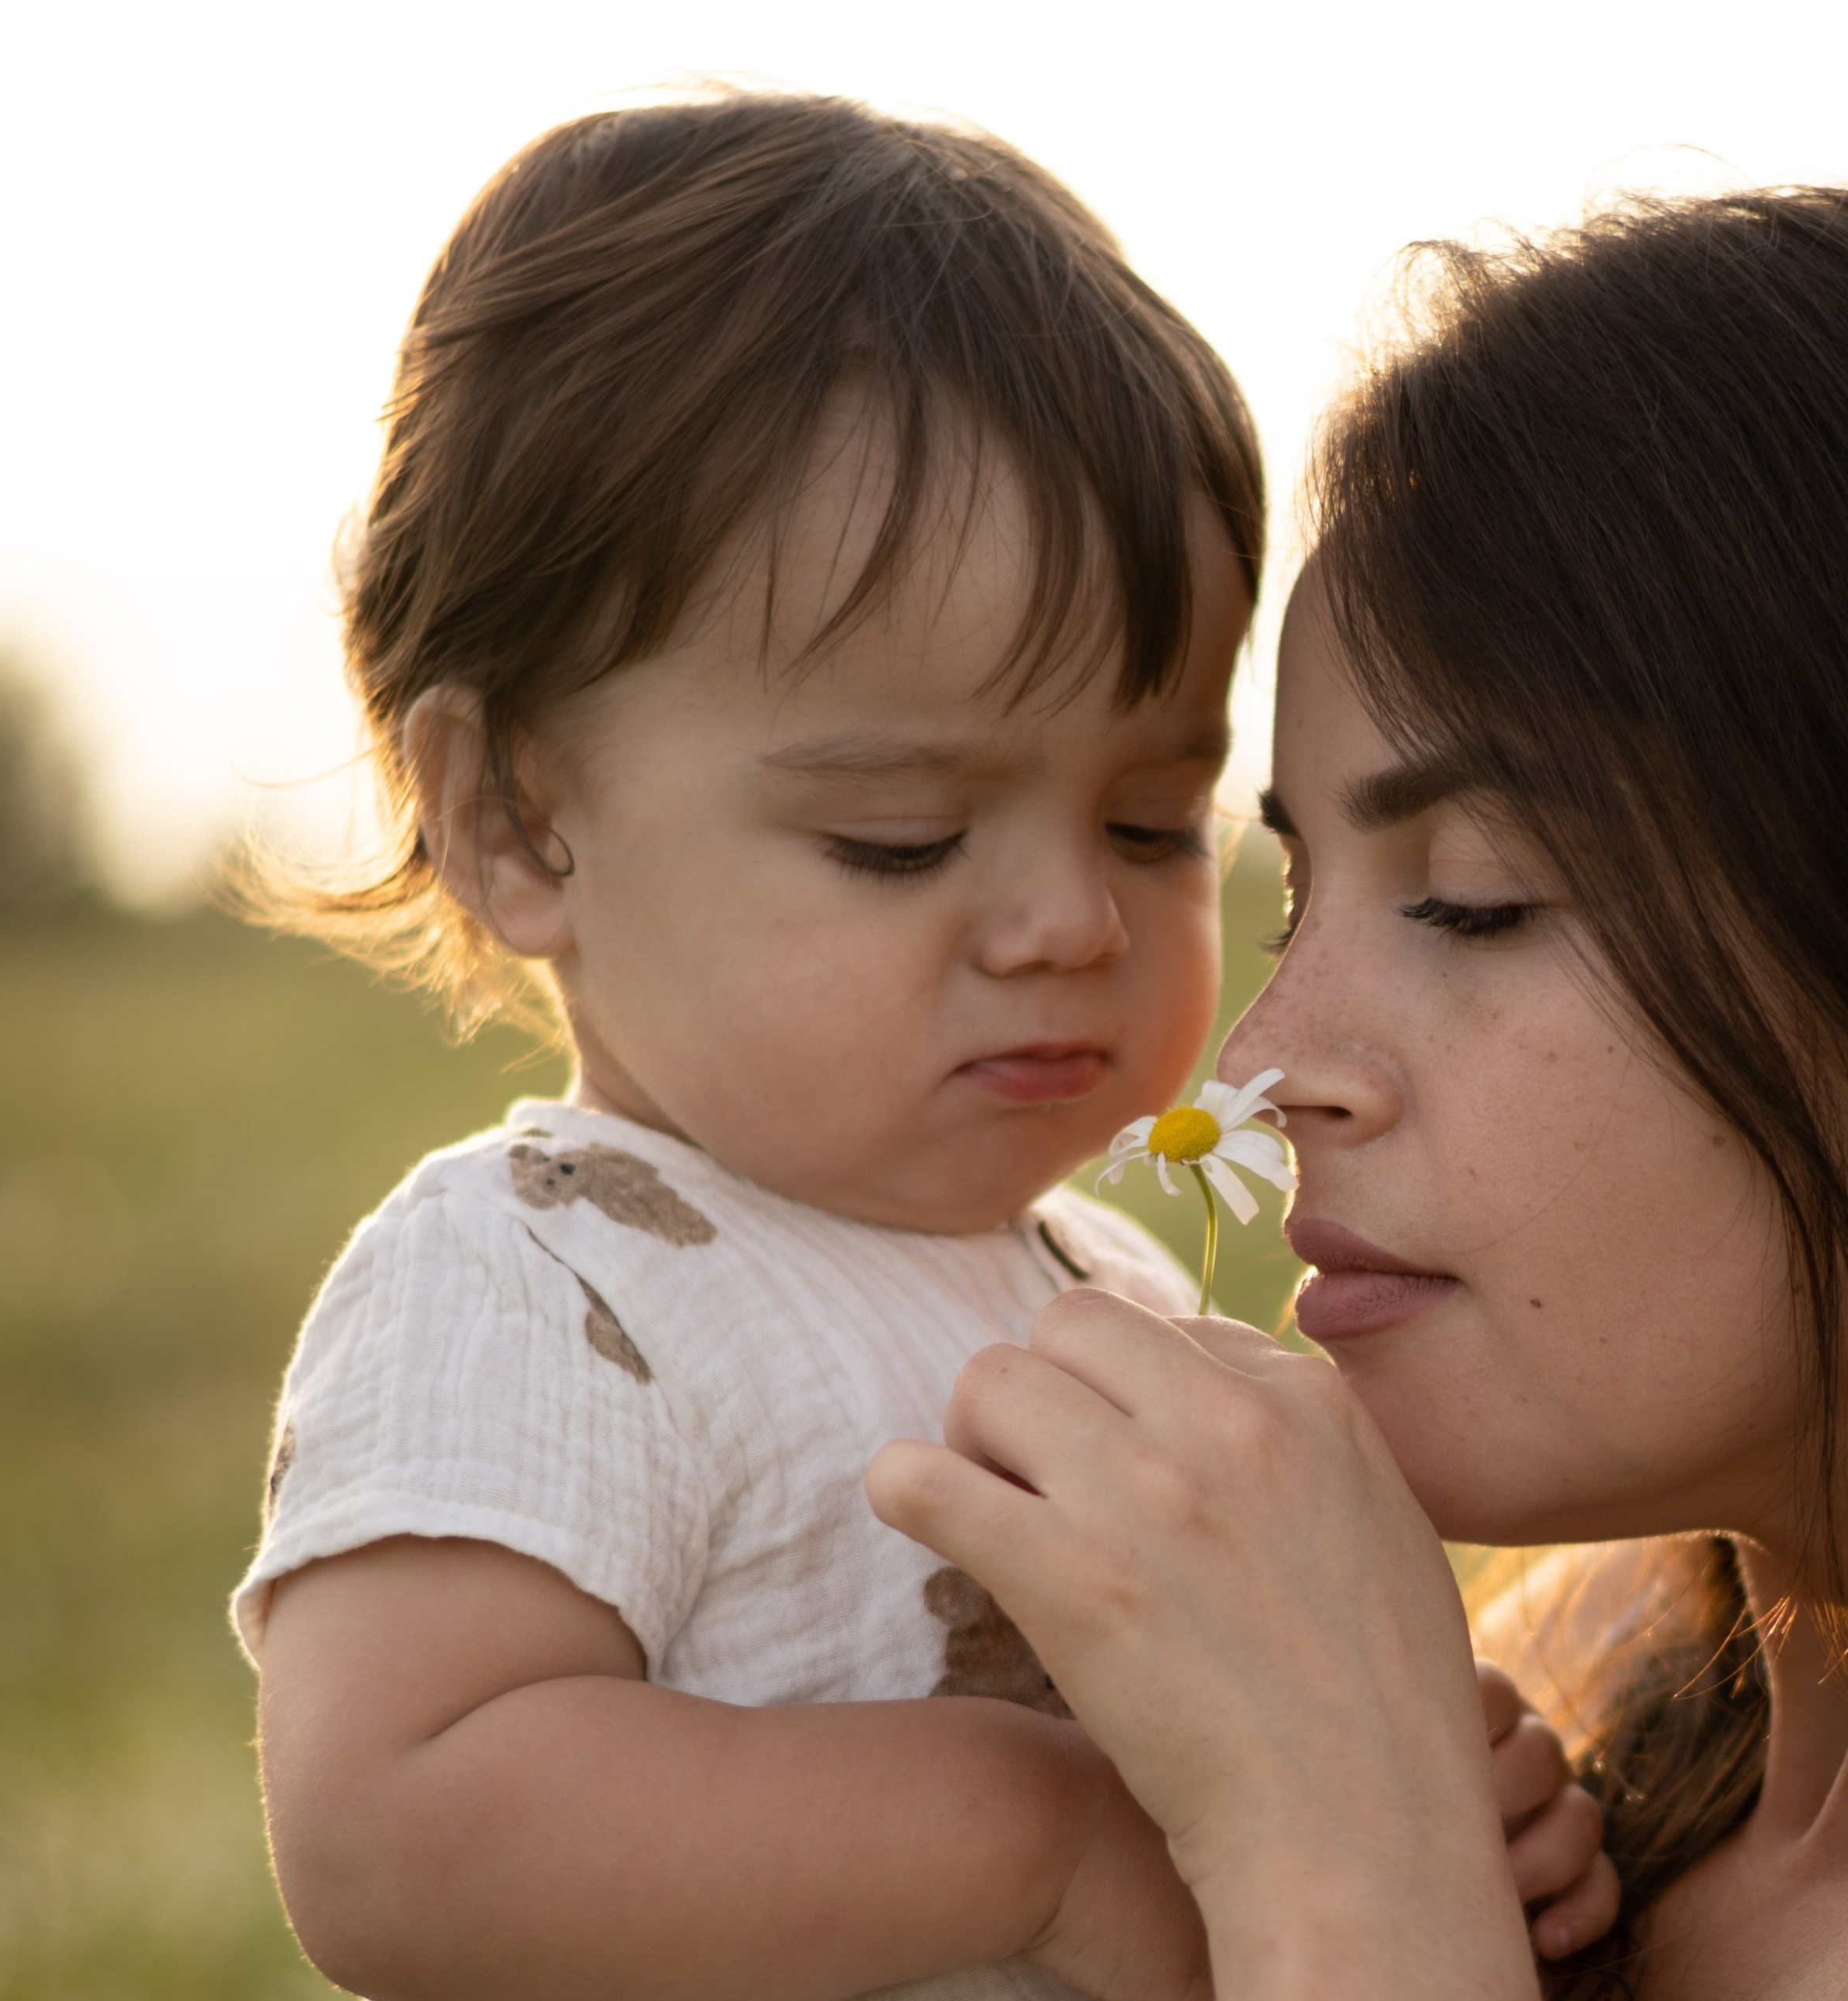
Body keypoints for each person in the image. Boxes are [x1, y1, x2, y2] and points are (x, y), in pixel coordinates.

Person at [231, 91, 1611, 2001]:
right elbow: (398, 1821)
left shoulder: (1109, 1288)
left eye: (1149, 824)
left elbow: (1241, 1704)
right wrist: (1037, 1834)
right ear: (513, 821)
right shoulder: (537, 1272)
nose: (1070, 921)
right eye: (899, 836)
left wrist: (1408, 1777)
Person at [870, 185, 1848, 1999]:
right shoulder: (1570, 1720)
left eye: (1473, 891)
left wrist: (1344, 1851)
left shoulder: (1413, 1780)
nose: (1255, 1066)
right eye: (1296, 893)